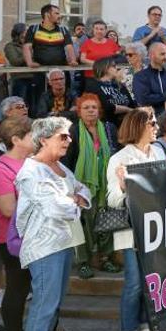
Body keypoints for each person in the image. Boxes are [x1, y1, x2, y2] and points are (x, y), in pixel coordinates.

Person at [15, 116, 92, 331]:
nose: (69, 140)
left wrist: (76, 198)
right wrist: (74, 200)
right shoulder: (32, 171)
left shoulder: (60, 167)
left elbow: (84, 190)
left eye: (69, 136)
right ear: (45, 139)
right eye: (63, 136)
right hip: (44, 247)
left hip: (64, 243)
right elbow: (55, 208)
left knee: (54, 304)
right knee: (44, 306)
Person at [106, 108, 164, 331]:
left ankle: (146, 323)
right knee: (134, 283)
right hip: (130, 230)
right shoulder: (118, 159)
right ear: (140, 126)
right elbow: (112, 201)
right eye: (153, 123)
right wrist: (122, 185)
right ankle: (129, 328)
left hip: (156, 226)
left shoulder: (157, 153)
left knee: (151, 280)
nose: (157, 127)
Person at [62, 93, 120, 278]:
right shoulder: (73, 132)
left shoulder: (109, 128)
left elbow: (115, 153)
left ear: (99, 111)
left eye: (94, 107)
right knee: (82, 223)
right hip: (81, 185)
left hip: (105, 183)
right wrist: (70, 189)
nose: (90, 111)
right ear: (79, 112)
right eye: (86, 108)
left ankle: (105, 258)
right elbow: (67, 160)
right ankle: (83, 262)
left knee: (106, 222)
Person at [0, 117, 34, 331]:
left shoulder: (32, 162)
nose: (35, 138)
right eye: (30, 135)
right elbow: (8, 209)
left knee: (29, 289)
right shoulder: (0, 168)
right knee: (17, 290)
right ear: (16, 140)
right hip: (12, 240)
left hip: (35, 237)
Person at [86, 57, 137, 127]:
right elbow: (106, 107)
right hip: (108, 124)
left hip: (127, 123)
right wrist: (128, 110)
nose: (116, 68)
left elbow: (132, 104)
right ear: (105, 68)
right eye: (113, 66)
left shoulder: (119, 85)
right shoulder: (94, 86)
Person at [23, 4, 77, 68]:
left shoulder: (63, 30)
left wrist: (73, 60)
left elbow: (69, 47)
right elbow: (27, 47)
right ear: (47, 14)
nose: (60, 16)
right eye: (56, 13)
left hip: (60, 70)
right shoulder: (33, 29)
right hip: (39, 70)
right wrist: (30, 63)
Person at [132, 43, 166, 116]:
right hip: (151, 120)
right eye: (162, 54)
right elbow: (144, 100)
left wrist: (157, 97)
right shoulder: (140, 77)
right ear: (151, 55)